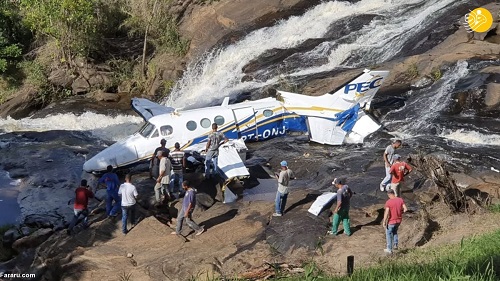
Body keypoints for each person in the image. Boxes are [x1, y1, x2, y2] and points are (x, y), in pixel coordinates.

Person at [383, 189, 408, 254]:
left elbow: (387, 212)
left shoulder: (388, 202)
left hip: (391, 221)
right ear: (394, 193)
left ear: (389, 194)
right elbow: (405, 209)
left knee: (388, 234)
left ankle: (389, 249)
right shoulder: (400, 200)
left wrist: (384, 221)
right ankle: (395, 244)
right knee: (395, 232)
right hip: (399, 220)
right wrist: (400, 212)